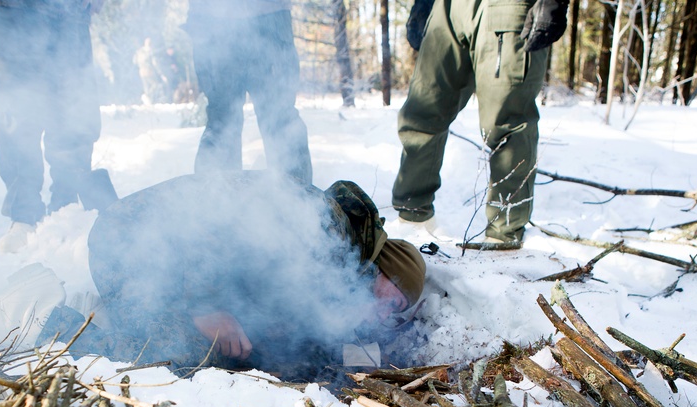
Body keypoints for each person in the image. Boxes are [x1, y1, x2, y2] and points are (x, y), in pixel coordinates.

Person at [46, 171, 426, 377]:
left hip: (174, 267)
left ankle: (115, 312)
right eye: (392, 300)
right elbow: (216, 223)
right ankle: (52, 324)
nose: (383, 313)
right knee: (187, 354)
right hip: (128, 247)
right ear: (383, 268)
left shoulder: (335, 261)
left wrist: (368, 357)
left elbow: (300, 334)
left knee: (252, 347)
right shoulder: (324, 224)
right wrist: (206, 308)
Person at [392, 0, 568, 245]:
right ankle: (412, 221)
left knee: (507, 121)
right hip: (446, 8)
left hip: (507, 8)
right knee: (422, 113)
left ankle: (503, 238)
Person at [0, 0, 118, 242]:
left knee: (74, 106)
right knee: (13, 110)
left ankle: (66, 208)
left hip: (69, 11)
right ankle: (24, 216)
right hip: (7, 11)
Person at [185, 0, 313, 184]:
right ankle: (214, 204)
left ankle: (301, 205)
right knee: (224, 123)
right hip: (215, 20)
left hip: (263, 17)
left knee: (279, 121)